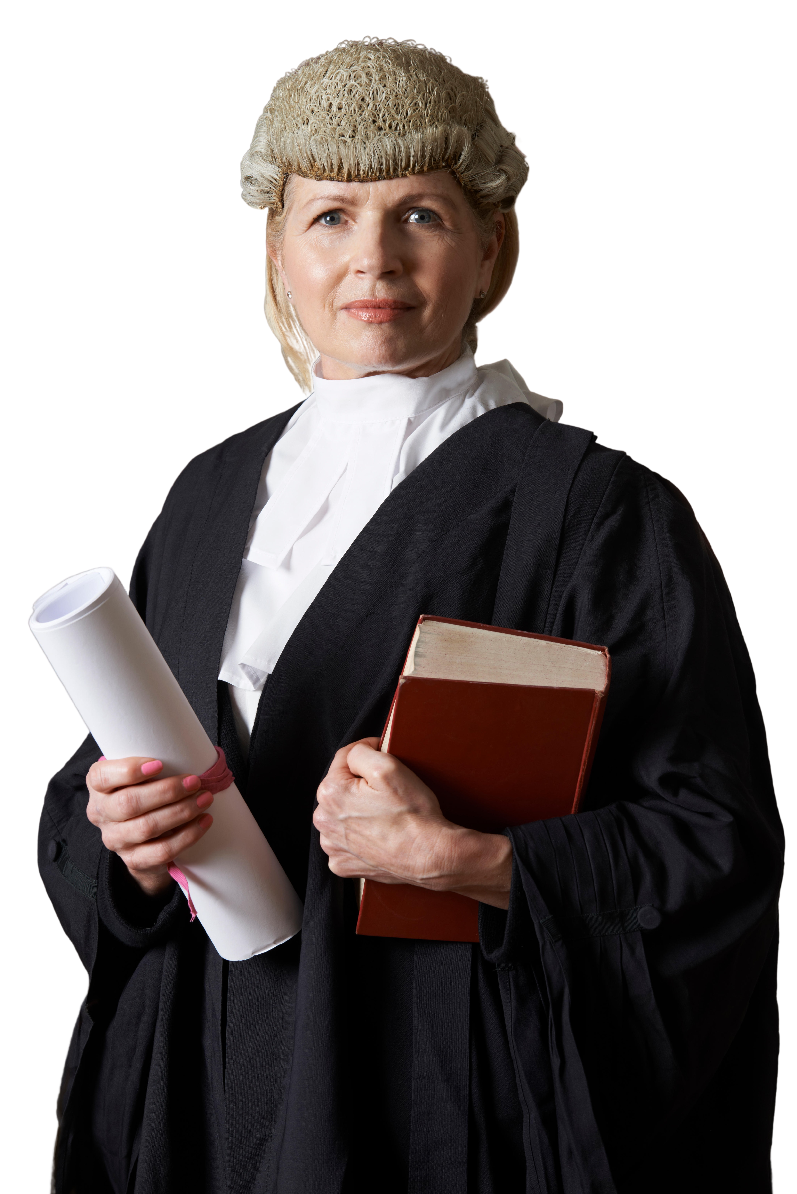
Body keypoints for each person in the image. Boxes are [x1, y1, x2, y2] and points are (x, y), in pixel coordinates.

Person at [39, 37, 782, 1194]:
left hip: (431, 1106)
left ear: (491, 245)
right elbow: (86, 796)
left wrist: (469, 861)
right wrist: (122, 841)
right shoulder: (206, 494)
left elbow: (712, 844)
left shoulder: (593, 510)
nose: (371, 259)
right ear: (277, 252)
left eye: (420, 215)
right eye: (330, 216)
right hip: (193, 1093)